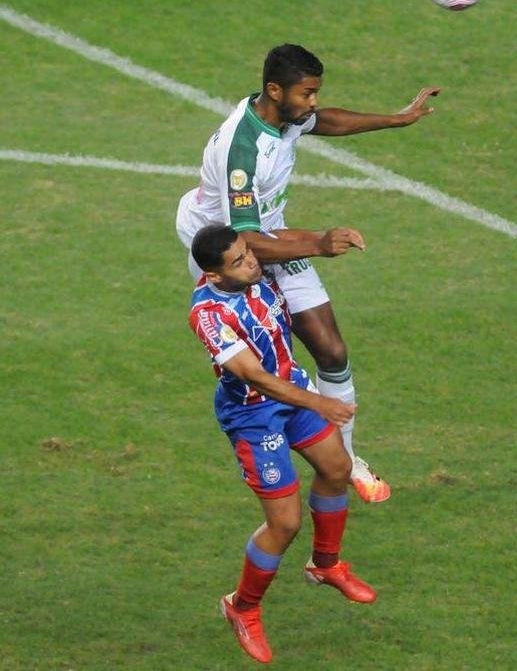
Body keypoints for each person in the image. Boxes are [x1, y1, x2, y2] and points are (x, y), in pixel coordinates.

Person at [176, 43, 439, 503]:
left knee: (331, 349)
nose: (313, 102)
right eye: (307, 94)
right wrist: (317, 243)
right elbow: (246, 242)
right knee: (261, 362)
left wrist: (396, 119)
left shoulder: (285, 115)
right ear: (275, 91)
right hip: (225, 246)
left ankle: (346, 459)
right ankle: (268, 445)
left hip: (266, 230)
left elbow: (326, 120)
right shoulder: (244, 151)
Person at [189, 224, 377, 664]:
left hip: (292, 390)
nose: (251, 261)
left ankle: (325, 565)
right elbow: (254, 377)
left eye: (247, 253)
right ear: (215, 276)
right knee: (285, 523)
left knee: (337, 469)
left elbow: (275, 234)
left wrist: (324, 238)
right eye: (238, 261)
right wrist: (320, 402)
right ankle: (242, 607)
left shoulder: (256, 270)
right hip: (255, 415)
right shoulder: (210, 315)